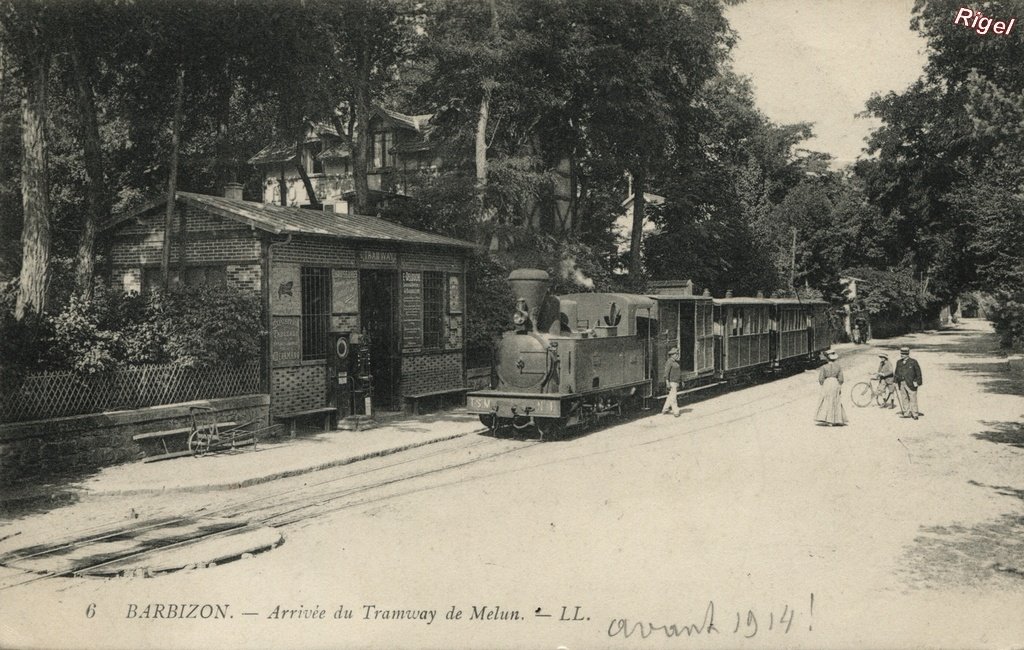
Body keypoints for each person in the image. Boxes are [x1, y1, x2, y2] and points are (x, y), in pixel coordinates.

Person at [814, 350, 848, 426]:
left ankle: (827, 419)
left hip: (827, 383)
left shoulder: (824, 367)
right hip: (835, 383)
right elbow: (841, 379)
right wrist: (839, 385)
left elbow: (821, 379)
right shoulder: (838, 367)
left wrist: (823, 384)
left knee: (826, 400)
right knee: (835, 400)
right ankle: (835, 419)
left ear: (827, 359)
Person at [894, 346, 923, 420]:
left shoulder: (913, 362)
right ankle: (906, 413)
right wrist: (895, 381)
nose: (902, 355)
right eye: (901, 354)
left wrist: (917, 382)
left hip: (911, 384)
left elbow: (918, 373)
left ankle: (915, 414)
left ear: (907, 354)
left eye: (903, 354)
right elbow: (896, 372)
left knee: (913, 399)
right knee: (904, 398)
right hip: (902, 383)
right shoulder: (899, 362)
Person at [662, 347, 682, 417]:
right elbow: (666, 374)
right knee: (673, 398)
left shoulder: (675, 362)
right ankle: (676, 412)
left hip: (676, 382)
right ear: (672, 355)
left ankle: (665, 409)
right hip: (672, 382)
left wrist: (680, 381)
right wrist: (667, 382)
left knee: (670, 396)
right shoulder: (669, 362)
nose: (677, 355)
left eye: (677, 354)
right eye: (676, 354)